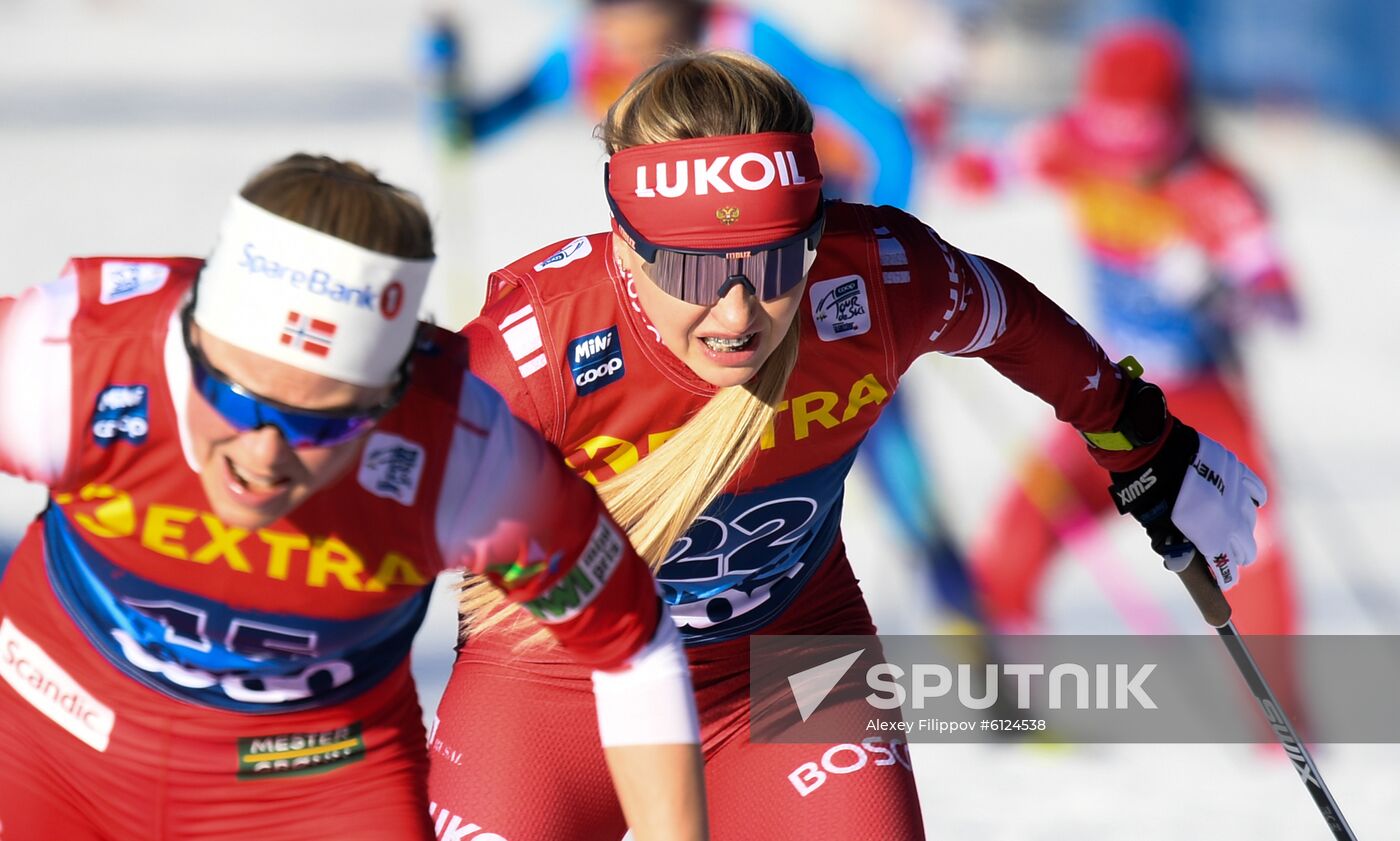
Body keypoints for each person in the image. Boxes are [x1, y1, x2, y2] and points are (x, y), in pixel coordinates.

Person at [426, 50, 1270, 839]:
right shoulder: (536, 344)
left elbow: (1012, 322)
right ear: (625, 245)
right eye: (690, 270)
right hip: (549, 684)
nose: (734, 314)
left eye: (775, 262)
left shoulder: (875, 272)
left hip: (792, 665)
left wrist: (1141, 439)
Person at [0, 153, 706, 840]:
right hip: (50, 744)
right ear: (189, 340)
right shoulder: (67, 363)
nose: (262, 453)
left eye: (324, 420)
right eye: (234, 396)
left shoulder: (462, 456)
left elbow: (631, 645)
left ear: (389, 400)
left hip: (311, 786)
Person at [423, 0, 977, 630]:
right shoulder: (588, 49)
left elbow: (887, 136)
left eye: (626, 11)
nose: (613, 29)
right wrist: (443, 86)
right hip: (698, 314)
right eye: (597, 11)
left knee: (901, 480)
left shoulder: (747, 37)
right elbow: (469, 132)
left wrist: (859, 256)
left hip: (804, 299)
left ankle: (980, 660)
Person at [948, 22, 1299, 639]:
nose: (1128, 171)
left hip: (1201, 399)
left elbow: (1282, 305)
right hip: (1112, 394)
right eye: (1115, 148)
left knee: (1252, 548)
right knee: (1018, 537)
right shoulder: (1074, 144)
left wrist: (1223, 290)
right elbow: (981, 168)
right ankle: (1015, 699)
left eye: (1142, 152)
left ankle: (1279, 725)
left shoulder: (1215, 190)